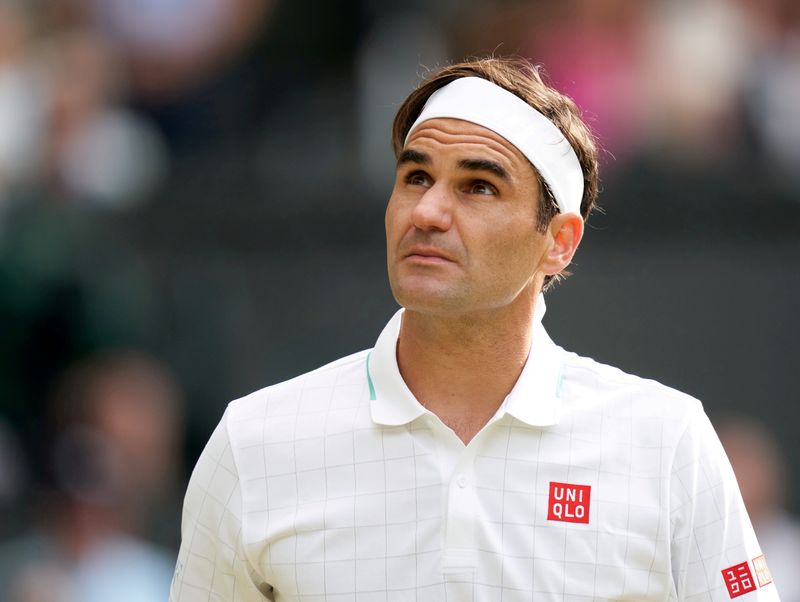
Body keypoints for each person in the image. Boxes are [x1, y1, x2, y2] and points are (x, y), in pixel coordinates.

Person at [169, 57, 778, 601]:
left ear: (559, 243)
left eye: (478, 186)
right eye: (415, 177)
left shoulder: (668, 441)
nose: (428, 212)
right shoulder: (252, 444)